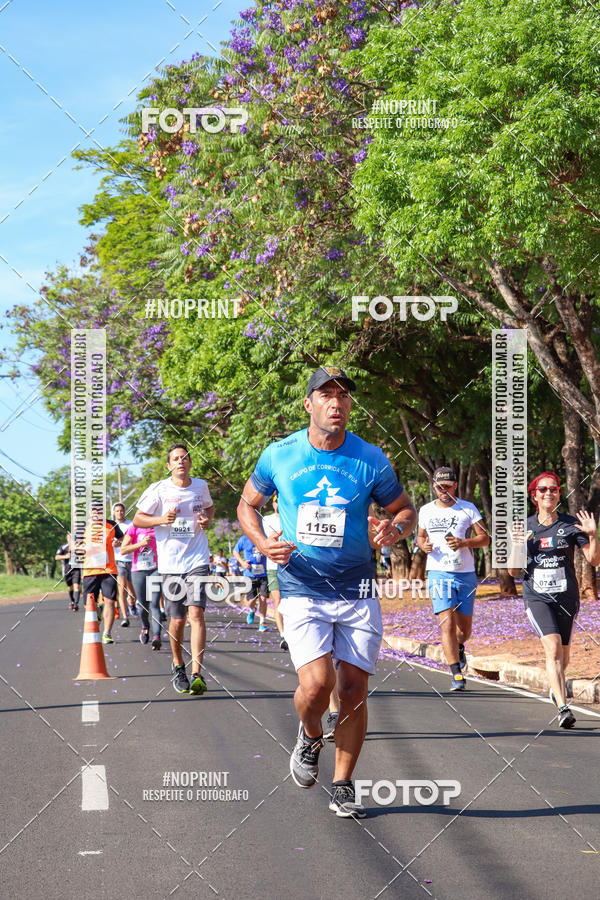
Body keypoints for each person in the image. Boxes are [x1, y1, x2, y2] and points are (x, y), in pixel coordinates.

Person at [237, 365, 416, 817]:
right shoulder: (279, 454)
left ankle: (343, 783)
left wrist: (394, 529)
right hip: (302, 584)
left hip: (357, 585)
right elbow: (246, 505)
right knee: (317, 686)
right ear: (309, 404)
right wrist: (261, 543)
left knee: (354, 690)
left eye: (343, 396)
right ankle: (311, 733)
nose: (337, 403)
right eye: (327, 395)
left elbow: (404, 510)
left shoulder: (370, 457)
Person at [508, 471, 600, 729]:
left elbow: (594, 560)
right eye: (543, 490)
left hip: (566, 597)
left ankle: (555, 688)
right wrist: (517, 546)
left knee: (564, 652)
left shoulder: (570, 524)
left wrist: (593, 535)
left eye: (554, 489)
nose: (549, 493)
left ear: (559, 494)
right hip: (536, 597)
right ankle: (563, 707)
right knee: (553, 646)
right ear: (534, 495)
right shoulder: (523, 528)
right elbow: (514, 573)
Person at [132, 443, 214, 695]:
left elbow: (209, 507)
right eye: (176, 459)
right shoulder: (158, 489)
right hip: (170, 564)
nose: (181, 462)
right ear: (169, 465)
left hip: (197, 559)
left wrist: (207, 519)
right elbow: (137, 518)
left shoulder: (200, 486)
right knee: (177, 619)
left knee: (196, 615)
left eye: (185, 458)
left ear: (190, 463)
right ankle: (178, 665)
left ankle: (197, 673)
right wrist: (160, 520)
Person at [417, 467, 489, 692]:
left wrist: (464, 542)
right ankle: (456, 673)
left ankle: (459, 647)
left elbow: (484, 538)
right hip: (438, 573)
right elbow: (420, 537)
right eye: (439, 487)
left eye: (448, 486)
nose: (443, 490)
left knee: (463, 631)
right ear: (434, 487)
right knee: (446, 623)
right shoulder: (426, 510)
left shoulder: (467, 508)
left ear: (455, 486)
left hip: (465, 574)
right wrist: (422, 545)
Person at [80, 509, 124, 644]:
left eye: (99, 511)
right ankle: (97, 614)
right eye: (94, 511)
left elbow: (123, 538)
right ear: (89, 512)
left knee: (110, 601)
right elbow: (75, 544)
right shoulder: (83, 527)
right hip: (90, 570)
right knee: (88, 604)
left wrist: (118, 542)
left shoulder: (111, 525)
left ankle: (107, 633)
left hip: (108, 569)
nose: (96, 514)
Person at [120, 523, 162, 649]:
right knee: (143, 605)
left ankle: (156, 636)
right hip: (138, 570)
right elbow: (123, 550)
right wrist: (141, 544)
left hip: (156, 569)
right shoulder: (134, 527)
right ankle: (145, 626)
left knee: (155, 603)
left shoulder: (160, 525)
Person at [262, 494, 287, 647]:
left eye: (281, 501)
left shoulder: (291, 517)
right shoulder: (267, 520)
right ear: (273, 504)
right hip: (273, 566)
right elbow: (265, 540)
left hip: (292, 565)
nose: (278, 504)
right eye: (276, 502)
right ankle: (283, 634)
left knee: (292, 600)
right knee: (277, 599)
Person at [233, 535, 269, 632]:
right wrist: (242, 562)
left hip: (263, 574)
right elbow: (235, 551)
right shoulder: (244, 539)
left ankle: (262, 622)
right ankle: (252, 610)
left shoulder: (264, 537)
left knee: (263, 599)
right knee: (251, 601)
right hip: (249, 575)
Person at [112, 502, 136, 626]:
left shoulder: (131, 524)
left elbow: (135, 541)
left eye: (121, 510)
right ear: (114, 512)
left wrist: (121, 544)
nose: (119, 513)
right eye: (117, 511)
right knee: (121, 589)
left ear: (125, 512)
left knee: (133, 591)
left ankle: (132, 602)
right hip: (118, 560)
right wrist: (113, 544)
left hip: (132, 560)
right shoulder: (111, 526)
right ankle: (125, 617)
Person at [55, 533, 81, 610]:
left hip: (76, 569)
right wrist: (66, 556)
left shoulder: (79, 546)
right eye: (69, 538)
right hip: (67, 569)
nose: (71, 540)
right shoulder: (63, 547)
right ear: (67, 539)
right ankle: (72, 601)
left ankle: (76, 603)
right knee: (70, 587)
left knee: (77, 586)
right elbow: (56, 557)